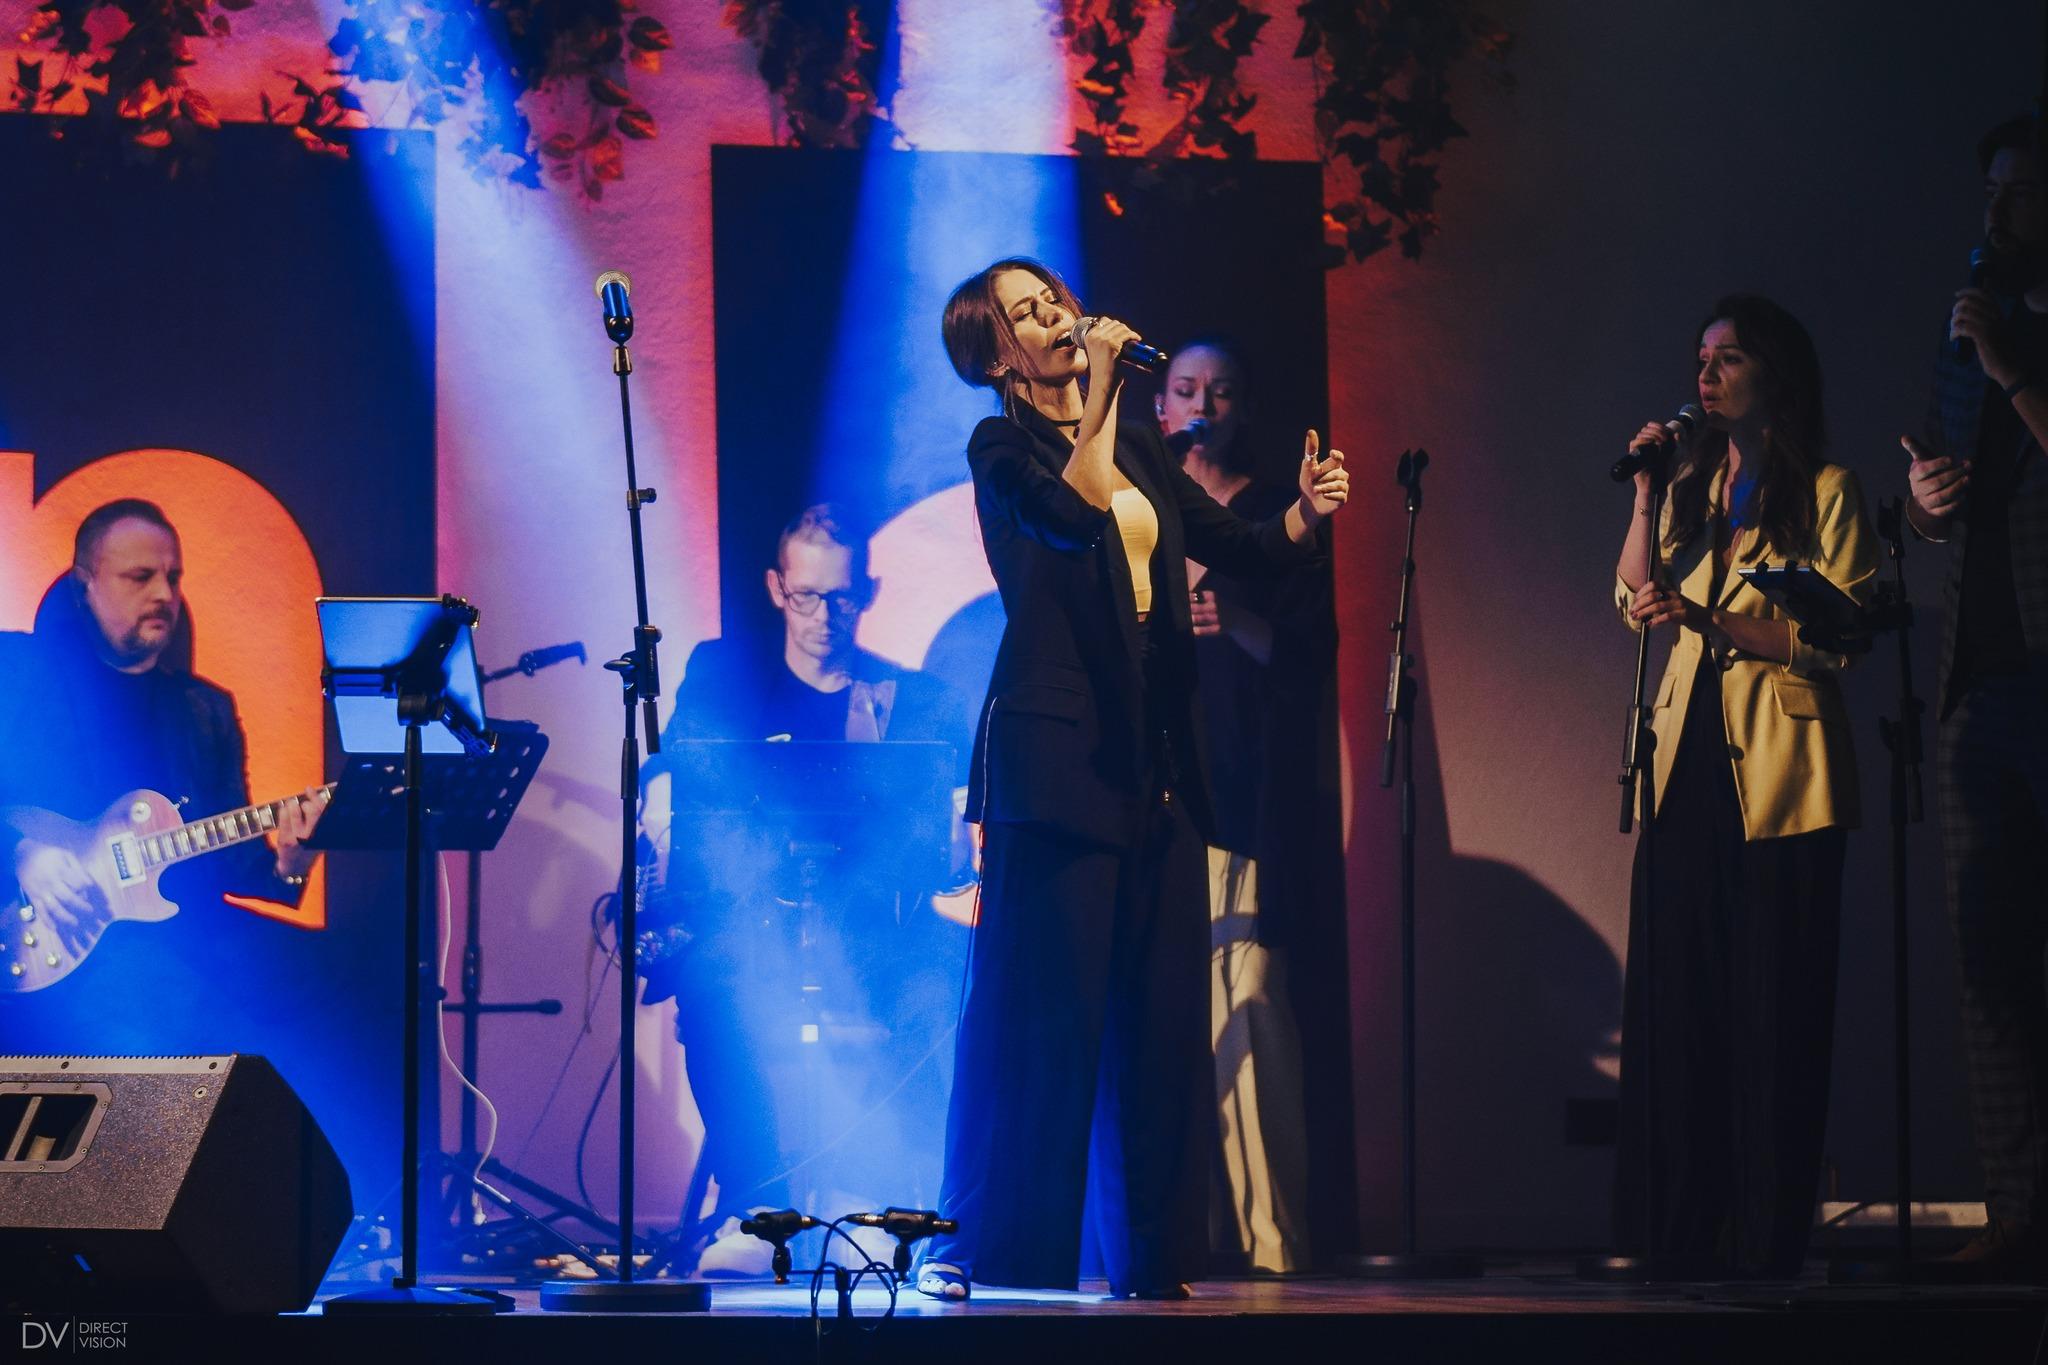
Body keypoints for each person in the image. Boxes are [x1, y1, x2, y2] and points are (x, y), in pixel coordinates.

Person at [918, 257, 1349, 1301]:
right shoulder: (1001, 447)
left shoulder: (1144, 451)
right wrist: (1103, 389)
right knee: (1037, 1017)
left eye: (1054, 300)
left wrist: (1302, 513)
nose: (1058, 318)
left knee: (1156, 1022)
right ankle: (991, 1252)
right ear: (996, 358)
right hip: (1054, 760)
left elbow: (1240, 549)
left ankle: (1151, 1257)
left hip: (1151, 760)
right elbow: (1067, 527)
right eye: (1029, 315)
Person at [1612, 295, 1878, 1278]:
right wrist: (1645, 493)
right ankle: (1675, 1231)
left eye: (1726, 358)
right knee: (1680, 1005)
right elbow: (1630, 597)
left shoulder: (1827, 493)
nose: (1705, 374)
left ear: (1774, 375)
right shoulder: (1687, 489)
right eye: (1698, 358)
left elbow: (1836, 638)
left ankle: (1760, 1241)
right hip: (1682, 768)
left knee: (1771, 1011)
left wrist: (1715, 623)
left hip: (1780, 784)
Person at [638, 503, 973, 1270]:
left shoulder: (915, 700)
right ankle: (761, 1203)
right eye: (807, 596)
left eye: (843, 597)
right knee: (713, 981)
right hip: (755, 927)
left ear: (868, 594)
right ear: (775, 587)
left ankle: (890, 1200)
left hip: (880, 934)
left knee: (933, 990)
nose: (825, 616)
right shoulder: (724, 679)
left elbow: (952, 830)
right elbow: (673, 783)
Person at [1156, 339, 1340, 1273]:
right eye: (1185, 390)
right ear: (1158, 406)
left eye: (1219, 391)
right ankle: (1169, 1237)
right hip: (1163, 800)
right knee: (1169, 1025)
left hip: (1251, 800)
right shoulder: (1142, 508)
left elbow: (1310, 661)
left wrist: (1231, 615)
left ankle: (1273, 1248)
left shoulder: (1275, 515)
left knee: (1255, 1007)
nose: (1202, 406)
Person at [1904, 113, 2048, 1278]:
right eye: (1987, 190)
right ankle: (2016, 1215)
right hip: (1979, 677)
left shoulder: (2005, 341)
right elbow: (1940, 480)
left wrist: (2011, 367)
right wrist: (1921, 500)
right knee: (1986, 950)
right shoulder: (1969, 330)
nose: (1995, 213)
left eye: (2018, 192)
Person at [0, 499, 324, 994]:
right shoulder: (19, 673)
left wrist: (289, 867)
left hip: (180, 957)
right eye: (140, 576)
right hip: (50, 959)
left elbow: (230, 864)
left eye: (172, 578)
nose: (163, 594)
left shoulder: (204, 709)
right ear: (85, 584)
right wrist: (22, 854)